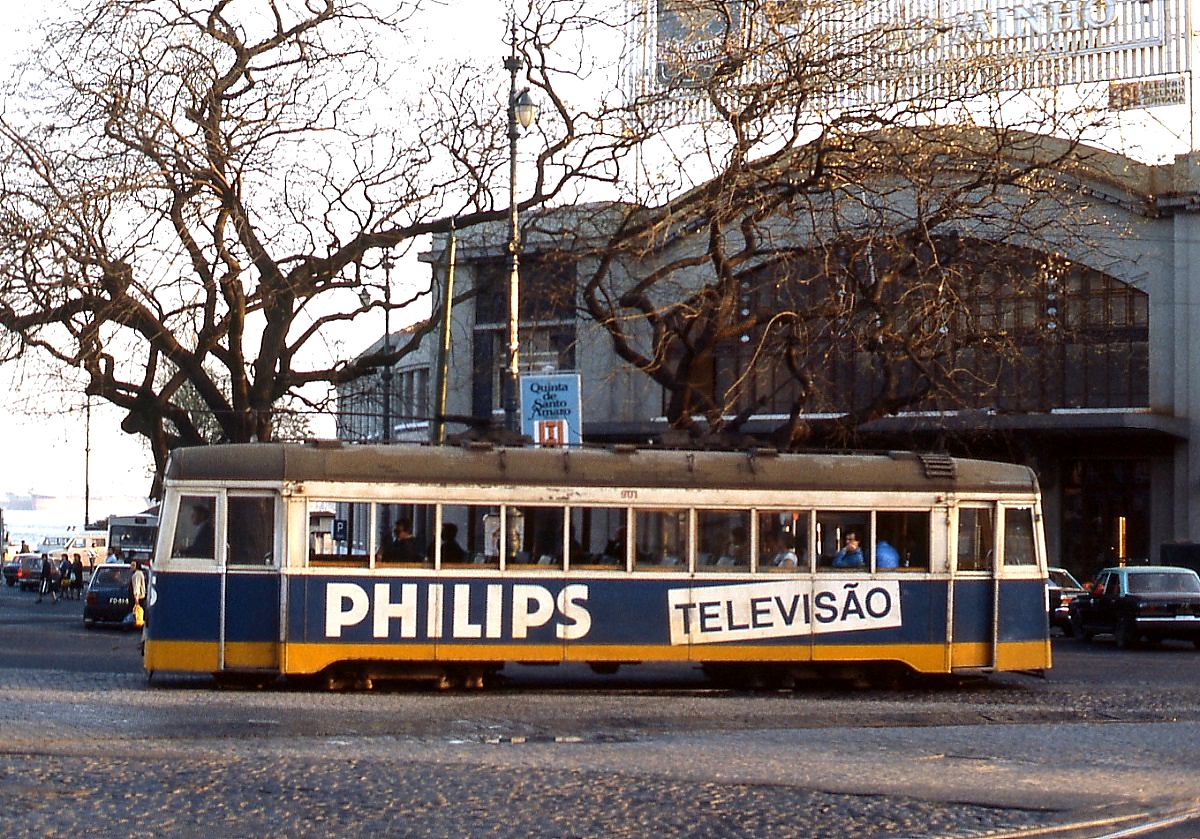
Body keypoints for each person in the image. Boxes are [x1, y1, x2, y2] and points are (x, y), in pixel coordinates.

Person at [129, 559, 147, 628]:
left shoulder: (137, 574)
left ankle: (137, 623)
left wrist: (136, 598)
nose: (131, 567)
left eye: (133, 565)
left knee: (136, 611)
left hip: (138, 597)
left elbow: (137, 586)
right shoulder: (139, 573)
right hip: (140, 597)